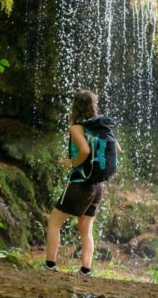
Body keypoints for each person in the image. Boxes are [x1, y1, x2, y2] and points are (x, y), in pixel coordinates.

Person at [45, 89, 121, 275]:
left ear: (75, 107)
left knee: (54, 222)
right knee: (86, 229)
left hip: (81, 183)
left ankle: (50, 266)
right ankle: (85, 270)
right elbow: (118, 149)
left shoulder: (76, 127)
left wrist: (71, 162)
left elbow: (85, 151)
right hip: (98, 186)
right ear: (93, 106)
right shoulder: (102, 127)